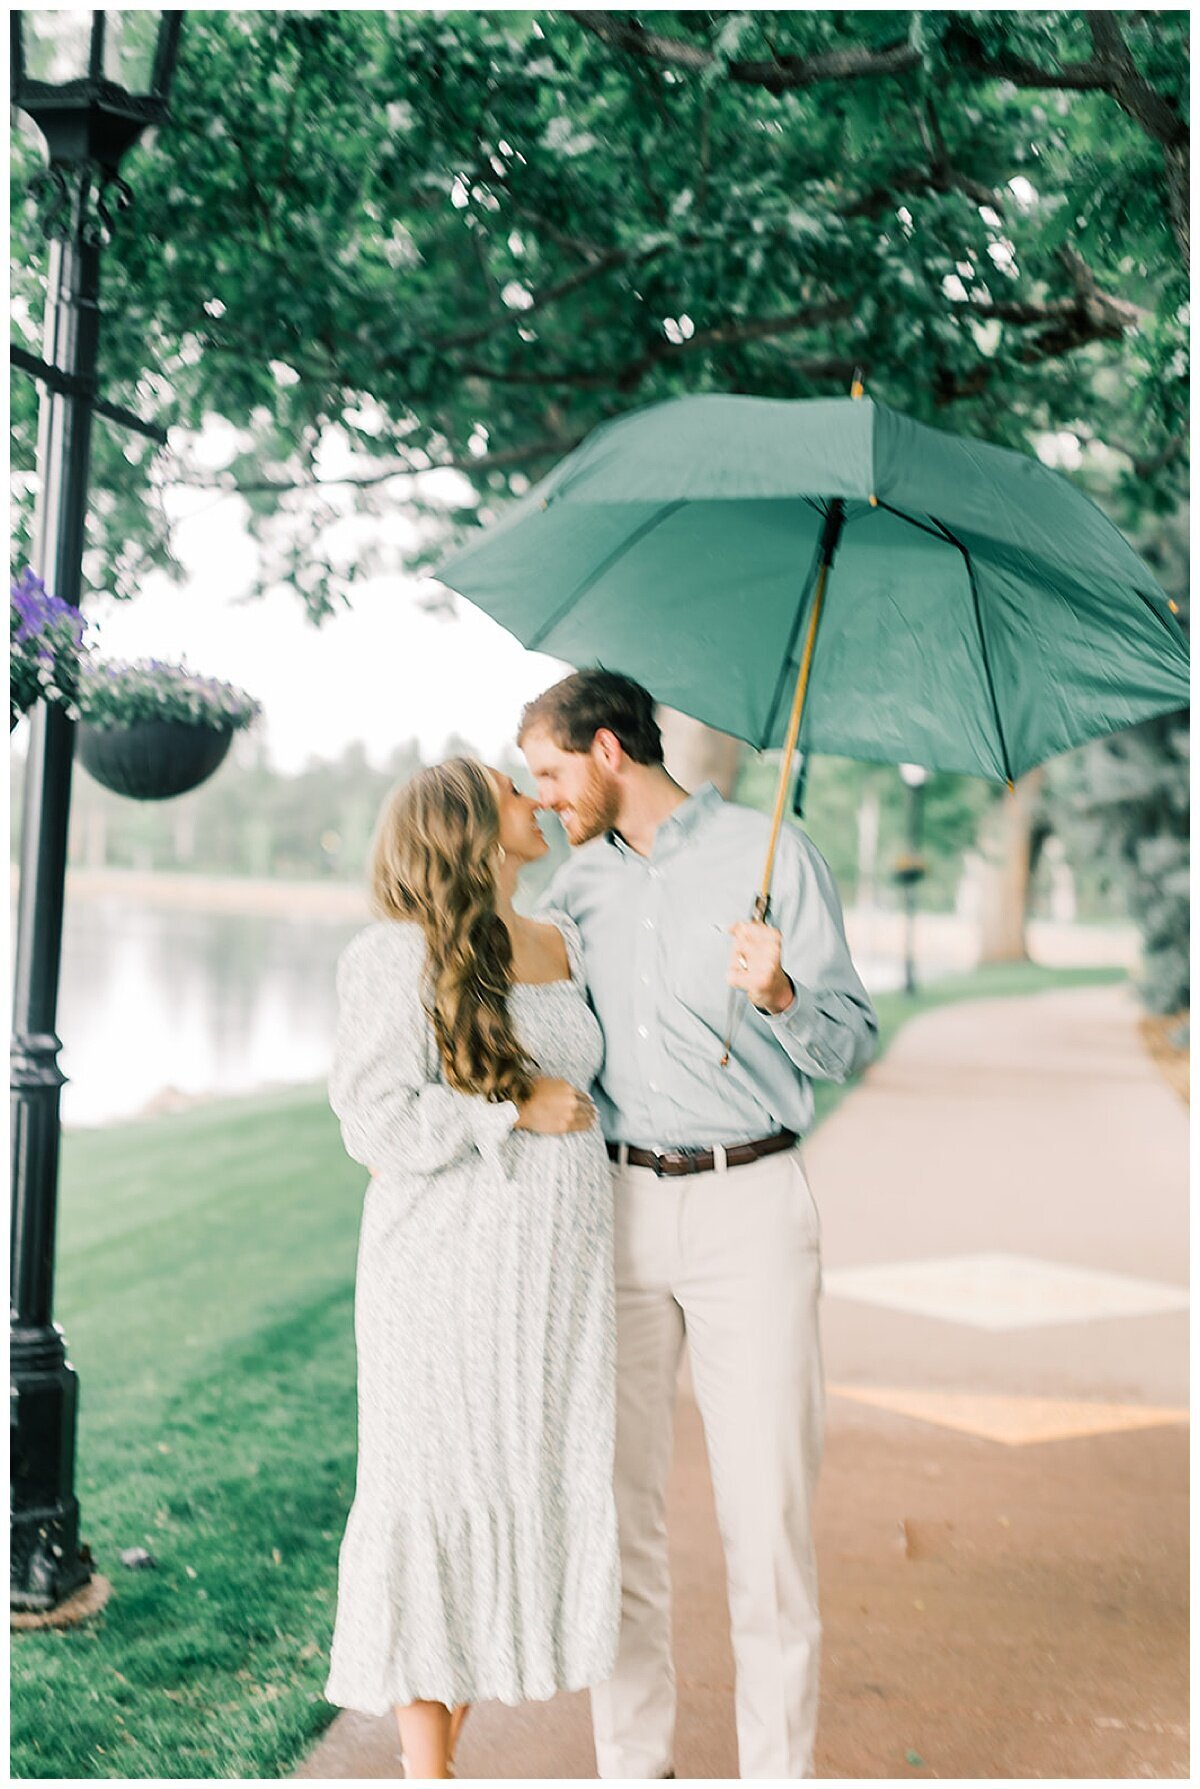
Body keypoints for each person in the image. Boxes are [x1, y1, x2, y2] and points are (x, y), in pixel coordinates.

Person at [519, 670, 878, 1781]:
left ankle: (778, 1771)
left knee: (765, 1519)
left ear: (612, 751)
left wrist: (784, 997)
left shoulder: (776, 859)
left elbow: (853, 1042)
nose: (541, 799)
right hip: (614, 1210)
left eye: (550, 772)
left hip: (751, 1208)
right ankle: (638, 1765)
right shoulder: (572, 890)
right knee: (618, 1518)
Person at [323, 757, 620, 1779]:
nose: (535, 801)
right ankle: (429, 1772)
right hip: (441, 1276)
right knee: (431, 1497)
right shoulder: (391, 955)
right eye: (513, 791)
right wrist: (511, 1108)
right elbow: (375, 1122)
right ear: (468, 827)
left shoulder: (559, 938)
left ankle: (440, 1761)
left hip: (549, 1288)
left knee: (513, 1496)